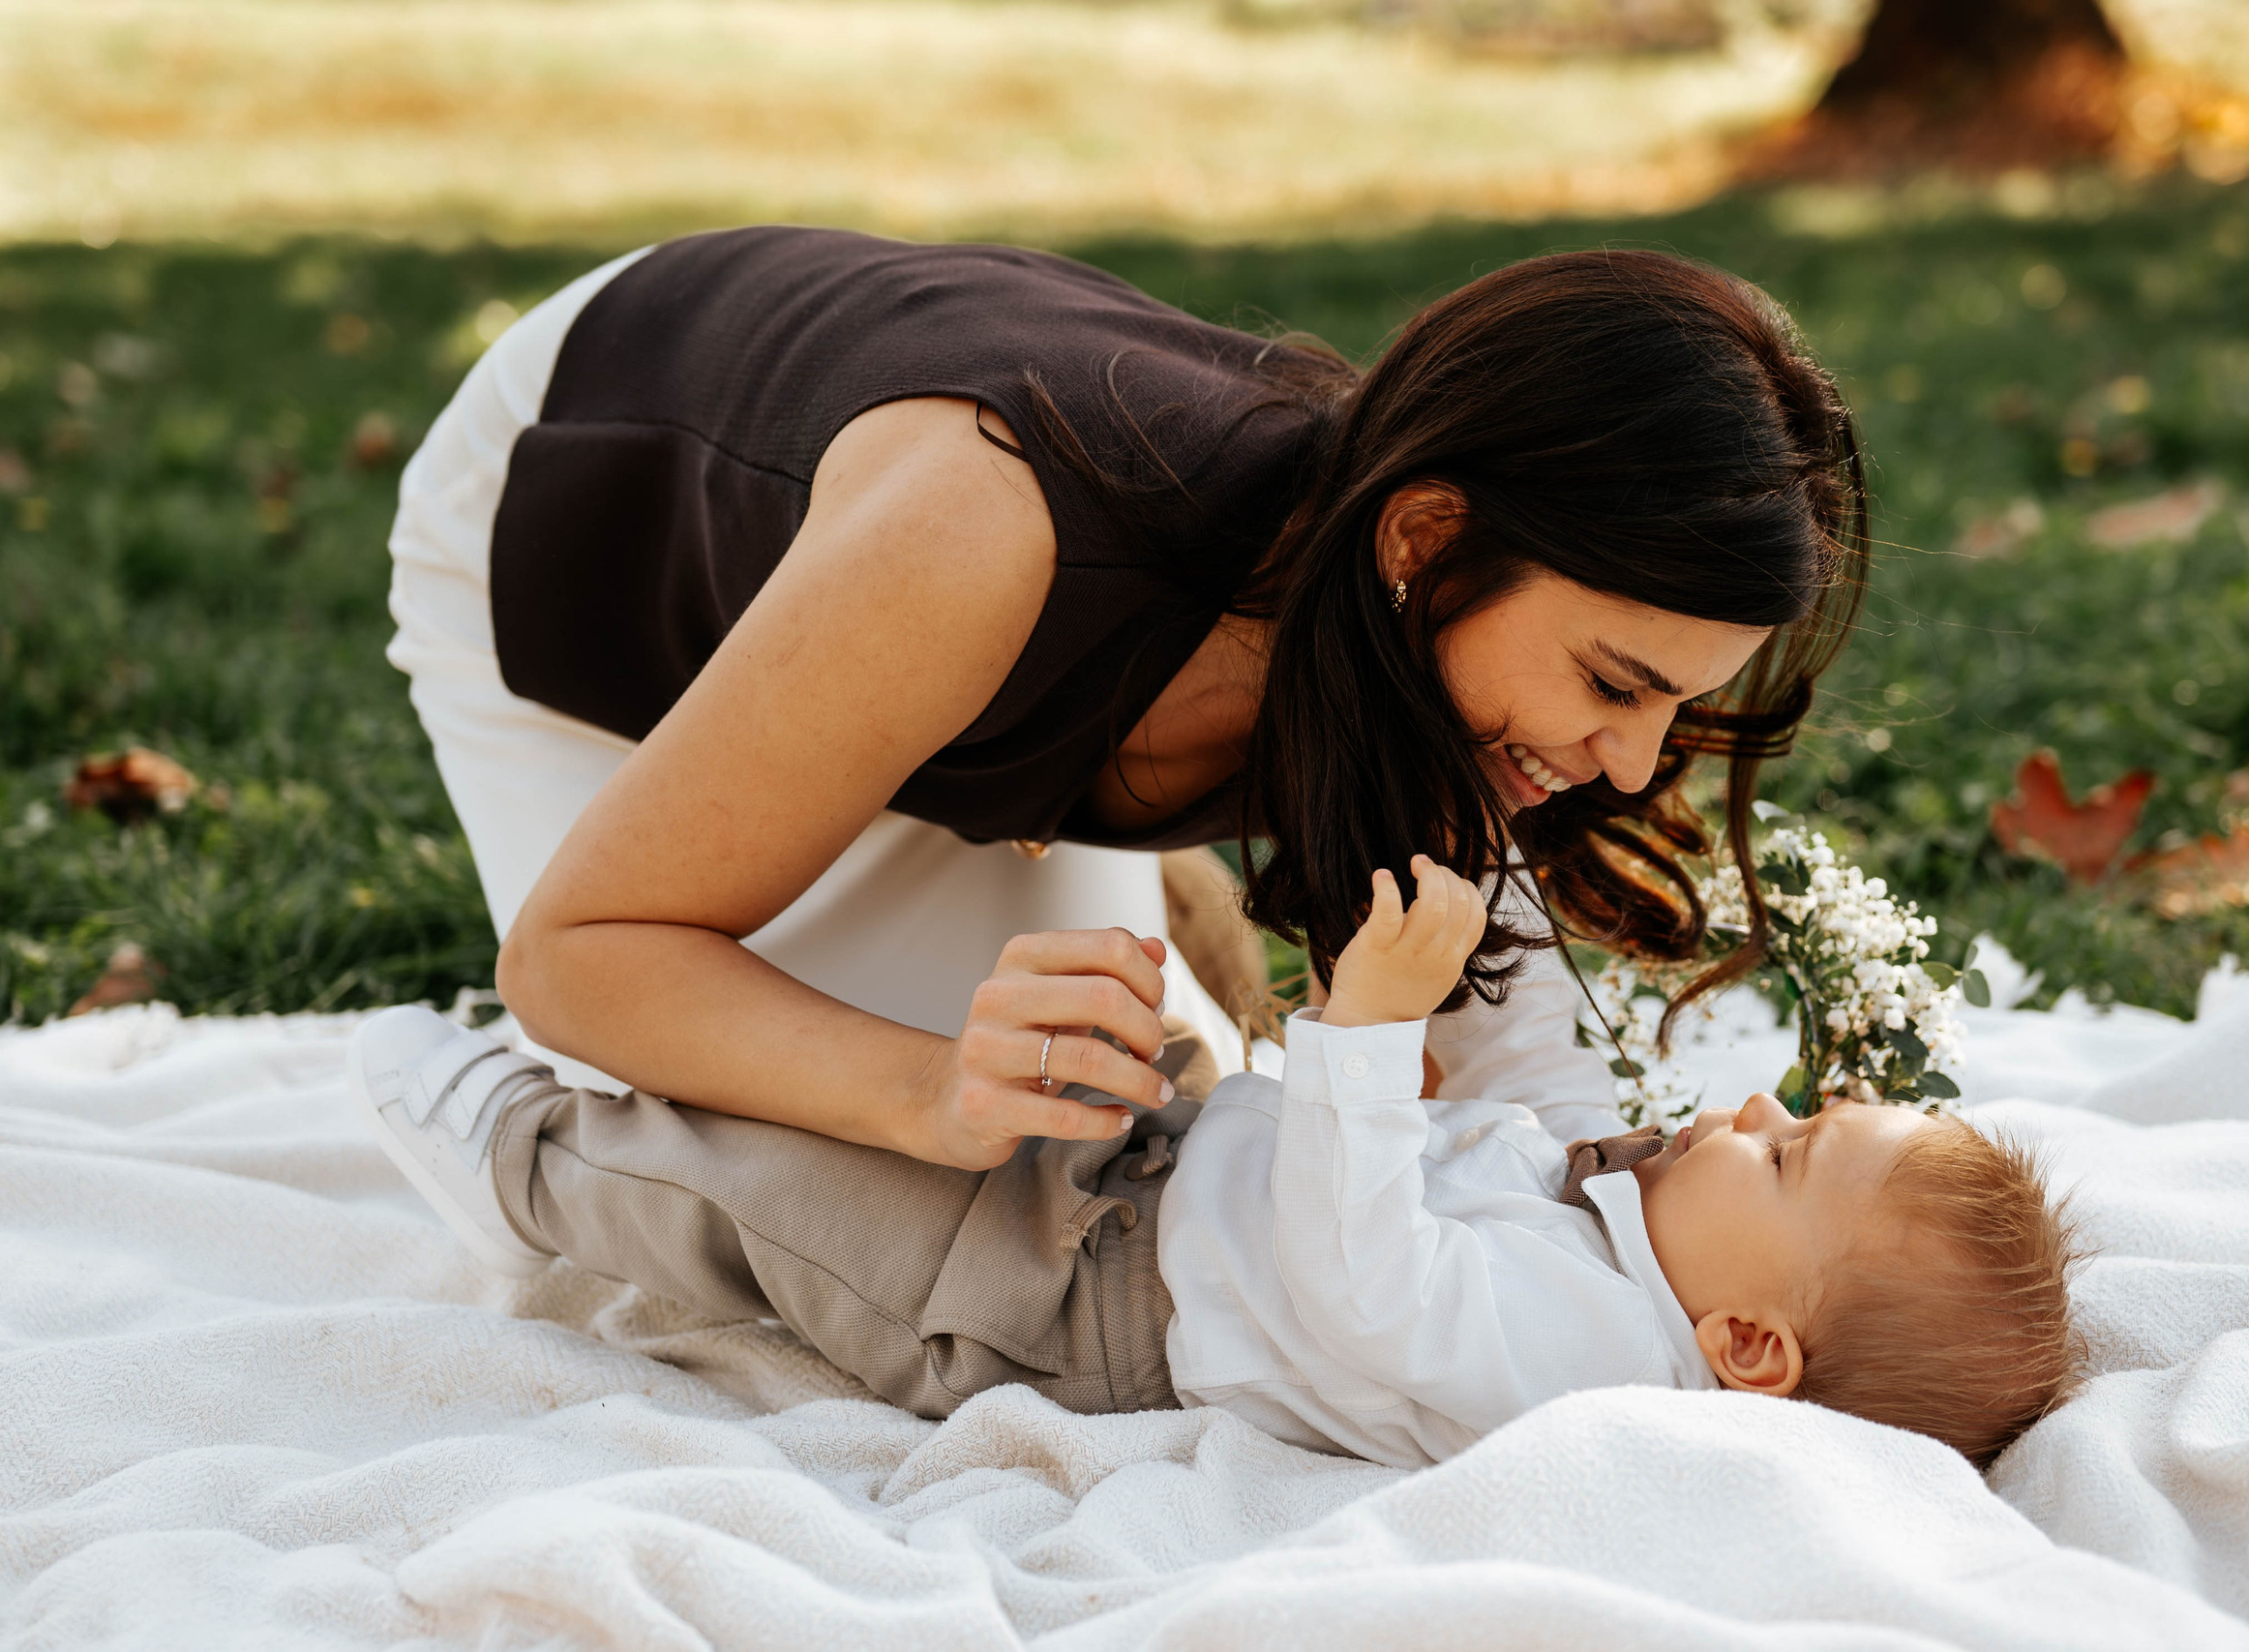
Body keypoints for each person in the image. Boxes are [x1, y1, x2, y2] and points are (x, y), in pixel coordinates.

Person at [383, 226, 1869, 1173]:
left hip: (971, 622)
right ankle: (1088, 837)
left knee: (1123, 1132)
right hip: (593, 539)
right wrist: (922, 1090)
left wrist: (1661, 1201)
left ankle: (1099, 835)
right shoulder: (983, 540)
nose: (1626, 765)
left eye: (1677, 707)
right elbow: (580, 956)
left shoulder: (1431, 634)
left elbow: (1528, 1075)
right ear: (1423, 538)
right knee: (838, 1172)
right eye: (1615, 683)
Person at [349, 857, 2082, 1471]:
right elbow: (1522, 1104)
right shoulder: (1643, 1256)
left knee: (756, 1206)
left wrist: (1352, 1047)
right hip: (1165, 1167)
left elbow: (1367, 1283)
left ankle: (502, 1140)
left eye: (1789, 1159)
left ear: (1751, 1349)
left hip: (1069, 1303)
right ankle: (618, 1052)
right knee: (887, 1069)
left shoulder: (1591, 1368)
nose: (1756, 1113)